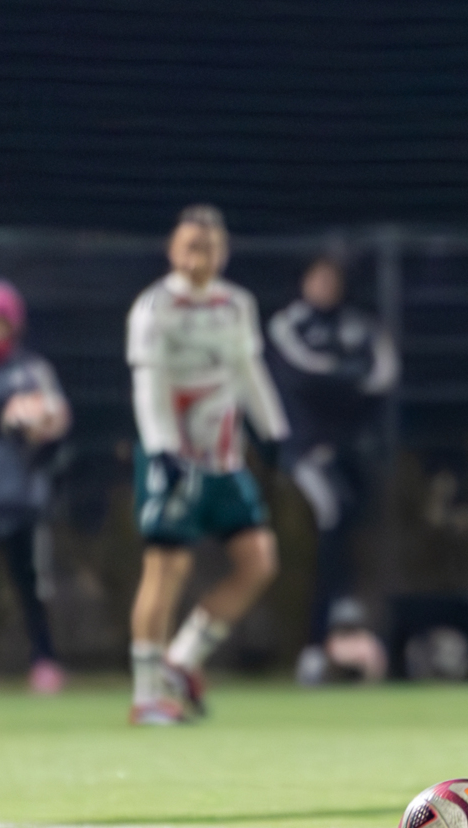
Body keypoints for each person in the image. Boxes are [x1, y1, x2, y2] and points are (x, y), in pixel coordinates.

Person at [126, 204, 289, 725]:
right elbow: (147, 385)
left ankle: (182, 660)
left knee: (258, 560)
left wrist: (274, 431)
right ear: (174, 251)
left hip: (224, 459)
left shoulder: (236, 305)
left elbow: (248, 369)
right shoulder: (154, 308)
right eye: (191, 246)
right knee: (167, 567)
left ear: (225, 252)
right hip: (176, 458)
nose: (201, 257)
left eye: (211, 247)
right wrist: (161, 449)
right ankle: (146, 694)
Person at [266, 255, 398, 685]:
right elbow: (302, 376)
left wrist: (343, 380)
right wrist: (345, 375)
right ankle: (315, 643)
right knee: (331, 517)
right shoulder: (289, 325)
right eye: (317, 278)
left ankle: (358, 634)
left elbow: (381, 376)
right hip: (306, 451)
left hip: (354, 451)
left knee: (362, 523)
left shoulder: (362, 326)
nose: (325, 286)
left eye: (332, 280)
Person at [0, 280, 70, 694]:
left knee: (31, 585)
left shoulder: (31, 371)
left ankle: (44, 659)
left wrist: (37, 421)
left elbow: (56, 419)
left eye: (0, 327)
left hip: (21, 499)